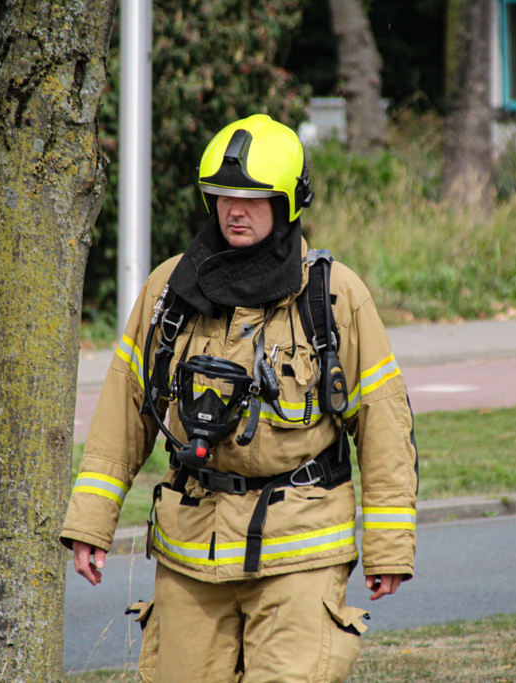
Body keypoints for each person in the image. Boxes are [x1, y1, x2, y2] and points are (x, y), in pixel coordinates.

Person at [60, 114, 418, 683]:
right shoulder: (169, 291)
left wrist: (390, 548)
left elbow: (383, 424)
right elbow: (124, 409)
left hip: (301, 552)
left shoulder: (333, 295)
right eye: (223, 196)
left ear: (288, 203)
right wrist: (90, 523)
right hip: (189, 553)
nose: (234, 210)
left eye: (252, 198)